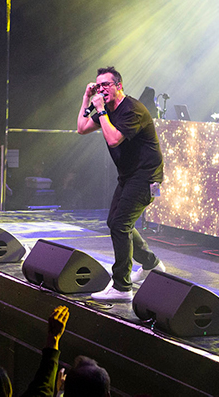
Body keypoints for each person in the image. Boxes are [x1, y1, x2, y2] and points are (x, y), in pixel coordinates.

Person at [77, 67, 165, 302]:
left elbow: (114, 139)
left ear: (119, 86)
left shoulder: (132, 110)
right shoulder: (107, 109)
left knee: (120, 225)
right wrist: (86, 98)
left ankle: (121, 286)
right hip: (129, 176)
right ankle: (151, 264)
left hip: (147, 177)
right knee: (115, 222)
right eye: (98, 85)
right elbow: (82, 128)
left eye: (106, 84)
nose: (102, 89)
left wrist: (102, 111)